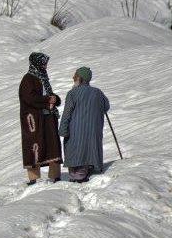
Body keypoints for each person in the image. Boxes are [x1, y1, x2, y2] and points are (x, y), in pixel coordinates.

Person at [59, 67, 110, 183]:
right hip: (93, 131)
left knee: (75, 149)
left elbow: (67, 113)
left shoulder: (72, 93)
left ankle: (78, 174)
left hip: (76, 131)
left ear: (80, 78)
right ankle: (89, 168)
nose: (73, 78)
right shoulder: (98, 92)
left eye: (75, 76)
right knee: (89, 148)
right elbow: (106, 107)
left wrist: (63, 130)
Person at [19, 52, 62, 185]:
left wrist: (55, 99)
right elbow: (30, 98)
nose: (46, 66)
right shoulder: (28, 79)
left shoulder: (43, 77)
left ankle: (55, 176)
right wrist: (48, 100)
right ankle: (33, 178)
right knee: (34, 146)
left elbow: (48, 94)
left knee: (52, 145)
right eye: (44, 63)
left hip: (47, 118)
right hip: (34, 120)